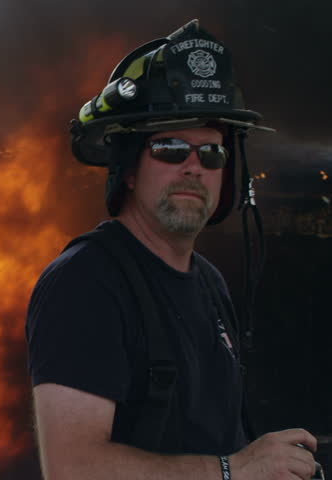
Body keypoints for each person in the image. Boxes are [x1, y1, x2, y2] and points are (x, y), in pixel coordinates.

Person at [25, 20, 321, 480]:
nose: (192, 167)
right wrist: (232, 471)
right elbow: (72, 468)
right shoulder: (86, 282)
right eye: (169, 147)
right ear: (127, 168)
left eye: (211, 154)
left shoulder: (209, 284)